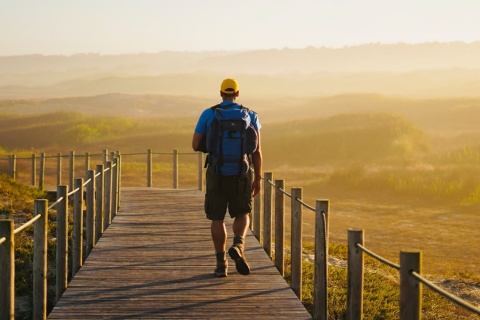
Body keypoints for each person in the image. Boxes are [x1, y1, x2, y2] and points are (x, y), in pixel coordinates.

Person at [192, 78, 263, 277]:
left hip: (217, 173)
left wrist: (213, 147)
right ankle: (238, 245)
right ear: (237, 94)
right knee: (242, 214)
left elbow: (195, 145)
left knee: (217, 218)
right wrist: (257, 178)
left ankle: (221, 263)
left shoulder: (209, 114)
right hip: (242, 173)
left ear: (220, 93)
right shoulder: (251, 115)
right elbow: (257, 151)